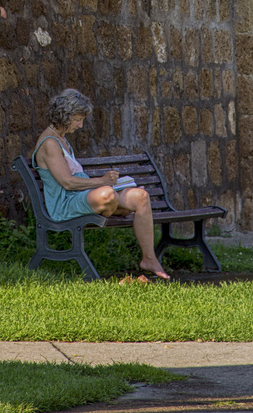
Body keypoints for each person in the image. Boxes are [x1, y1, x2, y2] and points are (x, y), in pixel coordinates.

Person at [32, 88, 170, 279]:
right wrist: (103, 181)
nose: (80, 125)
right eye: (78, 119)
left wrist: (108, 183)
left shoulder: (61, 139)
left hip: (81, 196)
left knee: (141, 197)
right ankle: (116, 208)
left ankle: (149, 258)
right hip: (65, 203)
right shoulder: (49, 143)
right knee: (108, 194)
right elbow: (68, 183)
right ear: (65, 115)